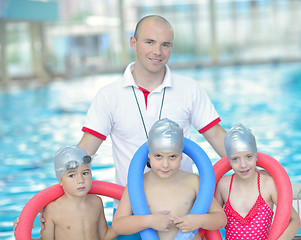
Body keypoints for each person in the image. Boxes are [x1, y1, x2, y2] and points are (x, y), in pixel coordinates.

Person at [78, 14, 226, 204]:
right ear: (133, 43)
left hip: (183, 207)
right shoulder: (109, 95)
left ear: (171, 47)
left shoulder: (189, 89)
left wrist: (257, 172)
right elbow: (85, 151)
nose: (157, 51)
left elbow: (217, 136)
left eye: (165, 44)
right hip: (130, 208)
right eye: (150, 42)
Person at [112, 118, 227, 240]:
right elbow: (118, 225)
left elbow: (221, 219)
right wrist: (148, 221)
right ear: (149, 156)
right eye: (158, 156)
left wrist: (199, 220)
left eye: (172, 156)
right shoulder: (137, 186)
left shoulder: (194, 182)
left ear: (181, 156)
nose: (165, 164)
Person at [215, 123, 301, 240]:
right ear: (229, 161)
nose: (243, 165)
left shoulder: (267, 184)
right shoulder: (223, 186)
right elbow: (211, 221)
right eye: (235, 159)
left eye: (248, 157)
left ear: (256, 156)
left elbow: (295, 220)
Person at [13, 145, 117, 240]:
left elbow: (103, 236)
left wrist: (120, 226)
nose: (80, 180)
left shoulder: (97, 202)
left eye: (85, 173)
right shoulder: (53, 210)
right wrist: (21, 232)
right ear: (60, 180)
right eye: (72, 175)